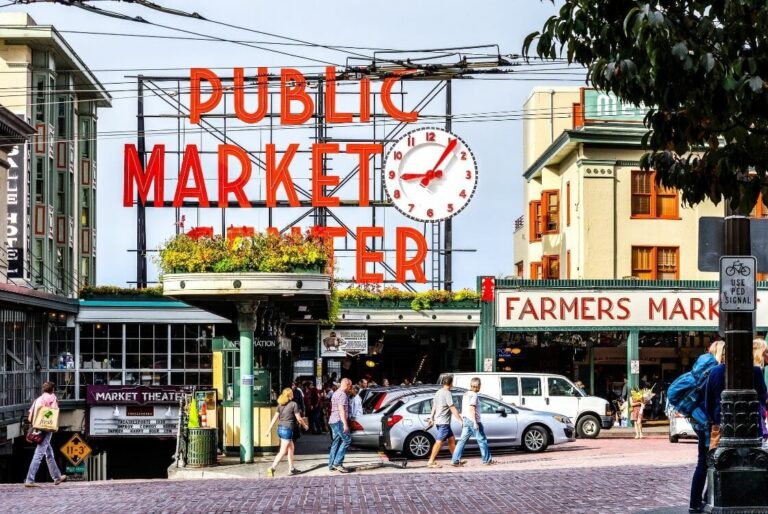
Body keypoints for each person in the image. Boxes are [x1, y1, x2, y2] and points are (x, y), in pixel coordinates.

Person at [688, 340, 724, 513]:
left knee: (703, 461)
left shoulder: (701, 368)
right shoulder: (715, 370)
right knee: (713, 461)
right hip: (710, 422)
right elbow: (711, 400)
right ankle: (704, 499)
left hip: (699, 419)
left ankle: (695, 502)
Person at [25, 382, 66, 487]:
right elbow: (54, 413)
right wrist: (53, 426)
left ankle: (57, 477)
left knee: (49, 453)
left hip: (37, 427)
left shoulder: (37, 400)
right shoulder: (53, 398)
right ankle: (30, 480)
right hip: (46, 429)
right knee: (39, 454)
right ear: (53, 389)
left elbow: (30, 417)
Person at [451, 377, 496, 466]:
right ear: (478, 386)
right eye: (480, 385)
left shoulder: (466, 394)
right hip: (473, 420)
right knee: (482, 440)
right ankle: (487, 460)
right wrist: (475, 422)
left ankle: (455, 460)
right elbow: (472, 408)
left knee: (462, 441)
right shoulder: (474, 395)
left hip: (466, 419)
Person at [265, 388, 309, 477]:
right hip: (287, 430)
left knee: (291, 448)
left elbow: (274, 418)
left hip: (280, 429)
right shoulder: (294, 404)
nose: (293, 394)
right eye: (292, 393)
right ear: (290, 395)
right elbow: (299, 418)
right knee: (282, 451)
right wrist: (305, 426)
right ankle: (272, 468)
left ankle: (291, 468)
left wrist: (268, 430)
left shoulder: (280, 405)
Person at [426, 374, 463, 469]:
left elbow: (434, 406)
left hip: (439, 421)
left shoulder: (438, 392)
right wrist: (460, 420)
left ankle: (456, 460)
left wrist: (431, 417)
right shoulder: (447, 393)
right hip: (444, 422)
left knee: (451, 439)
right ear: (451, 383)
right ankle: (430, 461)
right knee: (439, 441)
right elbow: (452, 407)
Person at [327, 378, 352, 473]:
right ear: (346, 385)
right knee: (347, 439)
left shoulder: (335, 393)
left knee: (336, 442)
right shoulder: (342, 395)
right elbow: (341, 410)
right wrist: (345, 424)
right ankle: (337, 463)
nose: (350, 388)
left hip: (333, 420)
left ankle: (331, 465)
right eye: (350, 386)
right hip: (339, 421)